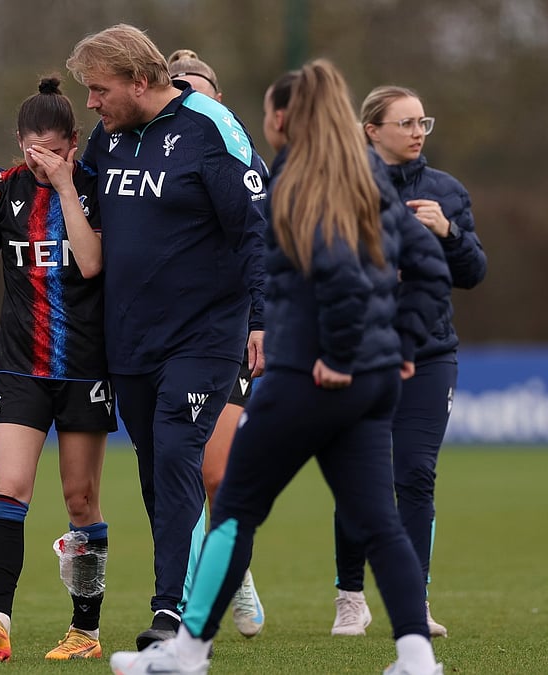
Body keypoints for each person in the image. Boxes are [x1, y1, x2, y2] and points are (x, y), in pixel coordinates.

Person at [109, 59, 452, 675]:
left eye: (267, 110)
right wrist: (399, 347)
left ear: (281, 118)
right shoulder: (366, 174)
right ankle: (416, 657)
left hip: (312, 376)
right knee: (379, 519)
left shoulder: (297, 179)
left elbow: (341, 278)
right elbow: (436, 265)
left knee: (234, 510)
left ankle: (187, 652)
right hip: (372, 381)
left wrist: (341, 354)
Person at [0, 24, 268, 648]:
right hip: (129, 342)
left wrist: (264, 319)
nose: (91, 103)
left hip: (203, 336)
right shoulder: (111, 141)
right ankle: (187, 598)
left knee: (177, 455)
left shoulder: (209, 131)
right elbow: (64, 185)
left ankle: (174, 617)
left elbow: (255, 233)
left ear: (140, 81)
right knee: (156, 474)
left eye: (99, 90)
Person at [0, 76, 113, 662]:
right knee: (9, 490)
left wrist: (63, 186)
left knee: (81, 501)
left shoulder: (94, 186)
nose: (42, 163)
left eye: (54, 152)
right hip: (17, 367)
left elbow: (90, 263)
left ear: (73, 144)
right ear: (18, 143)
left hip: (85, 368)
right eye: (33, 151)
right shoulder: (3, 191)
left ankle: (85, 631)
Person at [329, 85, 487, 639]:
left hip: (429, 352)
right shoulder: (342, 186)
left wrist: (449, 232)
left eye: (424, 121)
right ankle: (351, 597)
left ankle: (413, 601)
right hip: (359, 352)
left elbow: (473, 272)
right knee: (357, 478)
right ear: (372, 131)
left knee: (415, 474)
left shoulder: (446, 191)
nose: (418, 132)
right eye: (406, 123)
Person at [167, 47, 266, 639]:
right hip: (161, 337)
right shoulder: (151, 150)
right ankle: (181, 607)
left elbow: (263, 248)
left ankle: (234, 573)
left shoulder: (243, 162)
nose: (188, 96)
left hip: (223, 333)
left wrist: (261, 319)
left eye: (198, 87)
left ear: (218, 99)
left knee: (213, 475)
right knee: (178, 472)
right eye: (179, 87)